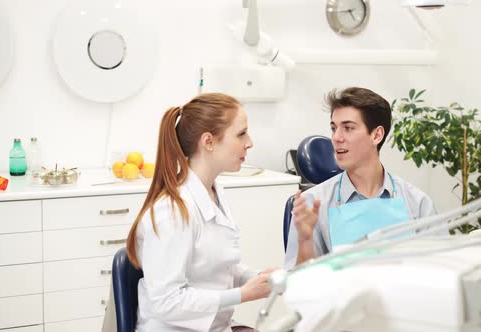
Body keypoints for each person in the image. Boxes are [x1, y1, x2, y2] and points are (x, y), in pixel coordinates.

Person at [126, 93, 272, 332]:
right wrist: (242, 294)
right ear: (209, 141)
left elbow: (216, 266)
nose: (250, 142)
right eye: (241, 133)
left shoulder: (214, 192)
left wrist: (257, 279)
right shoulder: (172, 211)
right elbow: (166, 302)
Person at [285, 87, 438, 269]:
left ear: (376, 135)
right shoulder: (313, 204)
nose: (336, 138)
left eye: (348, 128)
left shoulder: (417, 204)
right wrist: (305, 240)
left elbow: (441, 272)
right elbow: (298, 285)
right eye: (334, 128)